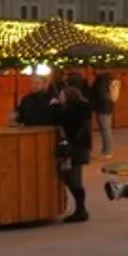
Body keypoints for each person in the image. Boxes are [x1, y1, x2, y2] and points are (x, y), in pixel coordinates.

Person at [52, 86, 93, 223]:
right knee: (71, 178)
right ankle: (80, 209)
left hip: (76, 148)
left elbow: (60, 120)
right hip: (79, 147)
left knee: (73, 179)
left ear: (69, 96)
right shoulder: (80, 109)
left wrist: (55, 106)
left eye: (62, 95)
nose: (60, 97)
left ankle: (81, 210)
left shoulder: (74, 110)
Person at [90, 71, 117, 158]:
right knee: (106, 129)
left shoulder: (101, 80)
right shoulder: (107, 78)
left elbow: (101, 94)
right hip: (107, 107)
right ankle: (106, 150)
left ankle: (108, 151)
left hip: (102, 108)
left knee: (106, 130)